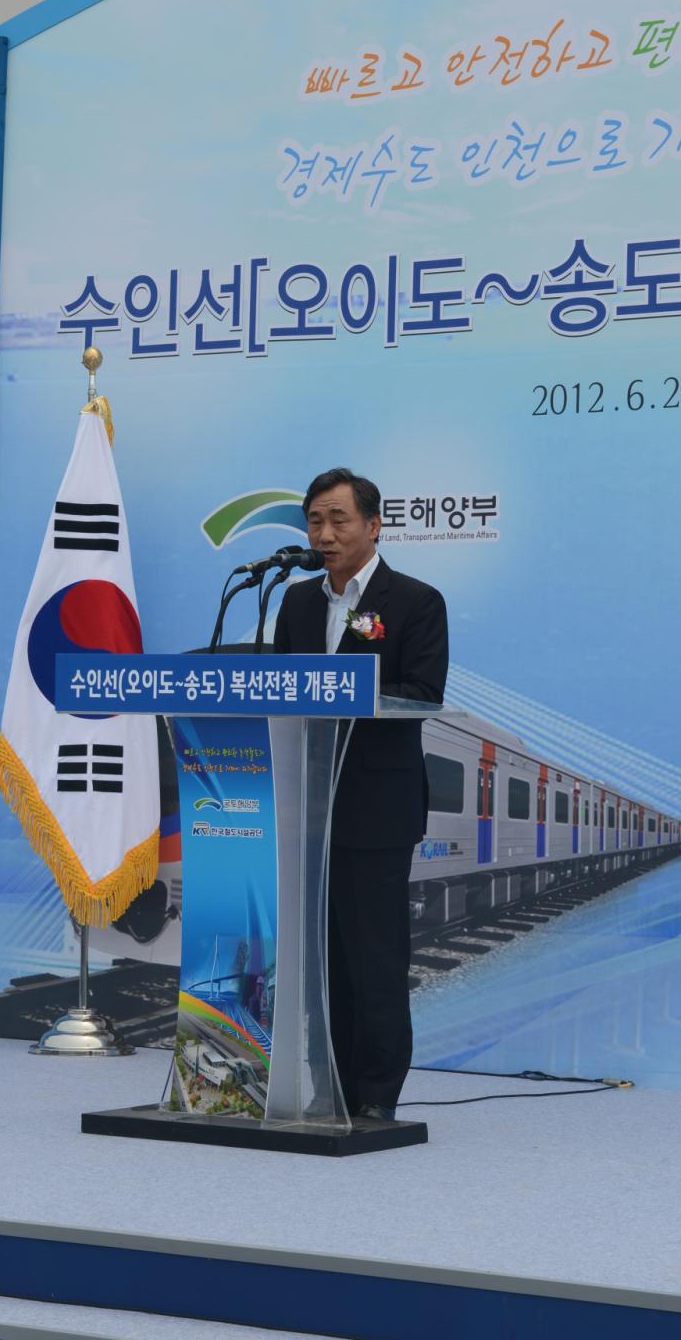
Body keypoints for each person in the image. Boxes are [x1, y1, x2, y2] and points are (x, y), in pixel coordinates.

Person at [273, 467, 448, 1121]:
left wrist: (345, 688)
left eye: (338, 520)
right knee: (322, 962)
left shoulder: (415, 601)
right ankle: (330, 1085)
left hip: (375, 807)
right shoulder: (296, 602)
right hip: (306, 806)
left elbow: (422, 693)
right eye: (314, 521)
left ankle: (375, 1093)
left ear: (373, 526)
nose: (324, 534)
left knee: (373, 958)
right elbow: (279, 692)